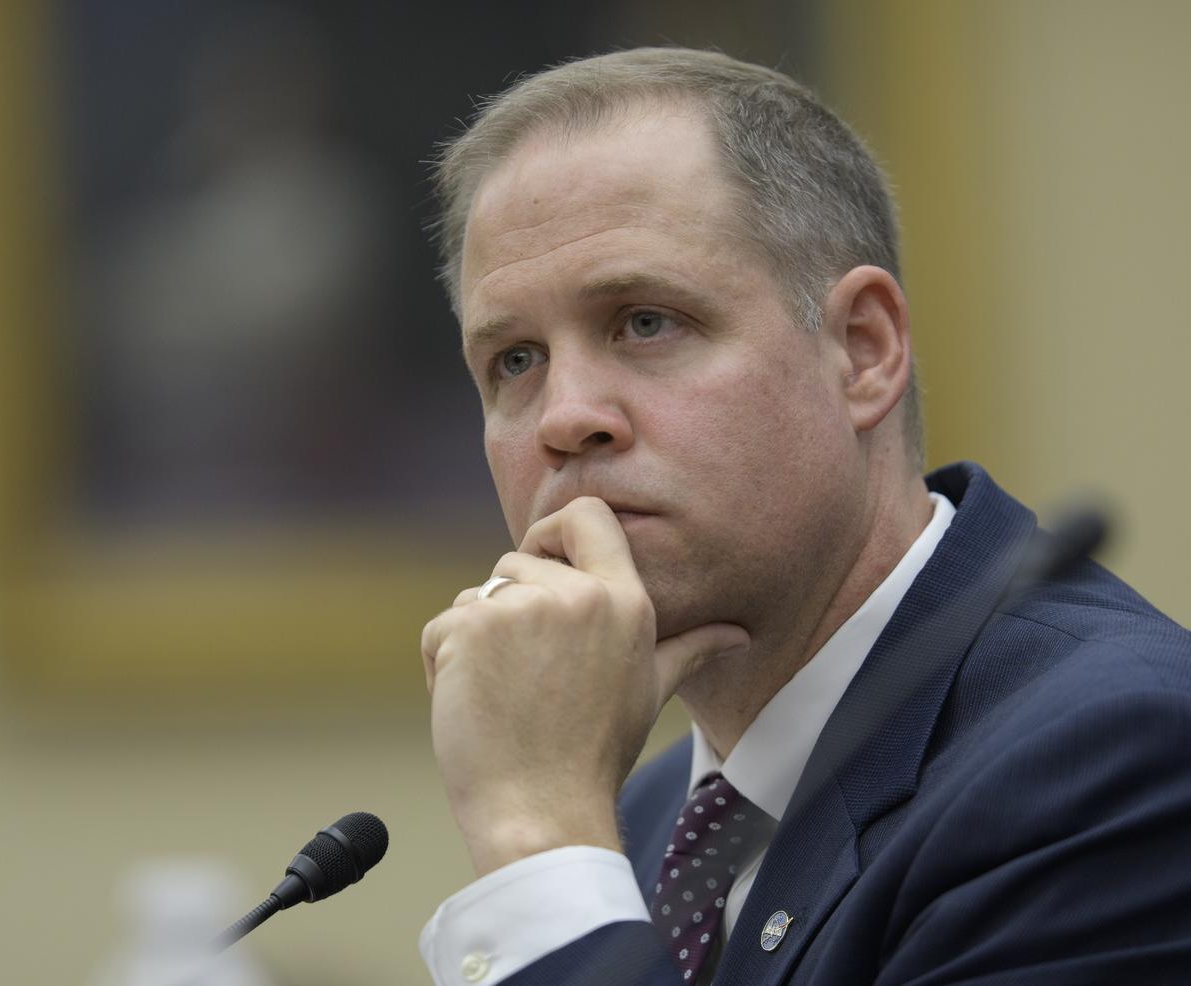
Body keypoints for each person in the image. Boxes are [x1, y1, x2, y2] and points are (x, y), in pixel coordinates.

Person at [416, 48, 1191, 986]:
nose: (566, 417)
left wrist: (535, 839)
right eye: (515, 361)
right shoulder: (650, 811)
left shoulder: (1112, 757)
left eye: (645, 322)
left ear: (862, 351)